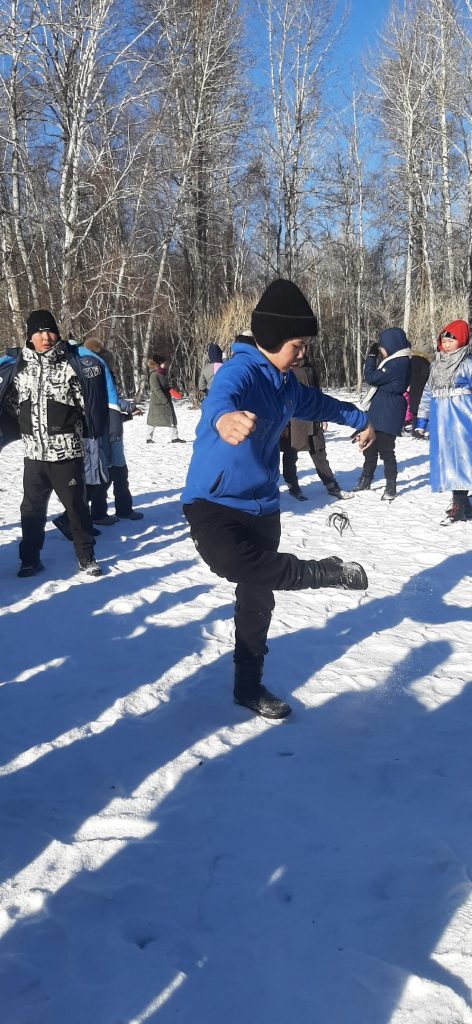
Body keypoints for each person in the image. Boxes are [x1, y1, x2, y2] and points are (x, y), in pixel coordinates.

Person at [182, 279, 375, 720]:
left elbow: (320, 405)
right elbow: (221, 397)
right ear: (271, 339)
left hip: (263, 506)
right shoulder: (241, 370)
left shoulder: (286, 384)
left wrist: (361, 419)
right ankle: (323, 572)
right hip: (214, 502)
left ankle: (248, 686)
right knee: (231, 562)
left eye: (304, 345)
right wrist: (224, 418)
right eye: (296, 345)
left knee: (257, 599)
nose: (302, 353)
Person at [0, 310, 107, 577]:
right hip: (34, 455)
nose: (45, 337)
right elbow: (12, 404)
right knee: (31, 510)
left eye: (50, 331)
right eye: (39, 332)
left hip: (66, 453)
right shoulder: (20, 369)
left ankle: (86, 557)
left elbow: (87, 404)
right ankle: (29, 559)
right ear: (30, 337)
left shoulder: (71, 365)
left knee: (76, 507)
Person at [416, 319, 472, 524]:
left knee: (462, 460)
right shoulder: (436, 365)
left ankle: (459, 505)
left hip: (463, 418)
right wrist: (422, 420)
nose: (446, 344)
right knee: (449, 461)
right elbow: (427, 392)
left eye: (451, 340)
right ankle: (464, 505)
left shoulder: (467, 364)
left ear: (462, 340)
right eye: (444, 340)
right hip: (441, 419)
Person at [279, 350, 353, 501]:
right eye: (298, 348)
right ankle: (293, 487)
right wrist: (283, 425)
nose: (301, 352)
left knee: (319, 453)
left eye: (304, 347)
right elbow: (280, 398)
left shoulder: (309, 366)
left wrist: (323, 415)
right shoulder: (284, 368)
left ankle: (332, 486)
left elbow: (318, 393)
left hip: (314, 418)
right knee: (290, 455)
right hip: (293, 422)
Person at [354, 327, 411, 501]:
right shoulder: (397, 361)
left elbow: (371, 377)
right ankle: (366, 479)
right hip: (380, 409)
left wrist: (371, 357)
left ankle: (391, 486)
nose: (380, 350)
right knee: (370, 448)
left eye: (382, 347)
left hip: (389, 412)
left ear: (392, 345)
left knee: (386, 451)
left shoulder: (398, 363)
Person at [146, 356, 185, 443]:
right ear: (159, 363)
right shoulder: (154, 375)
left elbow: (166, 387)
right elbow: (156, 389)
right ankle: (148, 438)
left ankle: (175, 438)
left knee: (171, 418)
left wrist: (174, 392)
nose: (165, 364)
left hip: (166, 401)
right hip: (157, 403)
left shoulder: (163, 374)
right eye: (164, 362)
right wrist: (164, 400)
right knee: (153, 420)